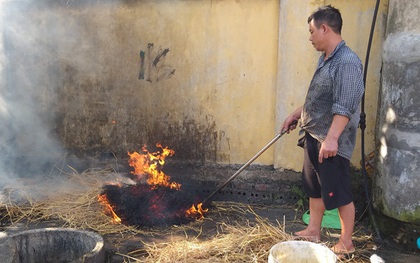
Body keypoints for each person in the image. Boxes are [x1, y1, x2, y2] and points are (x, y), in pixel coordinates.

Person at [281, 5, 364, 256]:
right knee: (314, 187)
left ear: (325, 28)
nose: (310, 37)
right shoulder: (326, 58)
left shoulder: (347, 62)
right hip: (314, 133)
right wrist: (298, 113)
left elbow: (344, 106)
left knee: (337, 191)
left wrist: (331, 139)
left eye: (311, 31)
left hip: (330, 140)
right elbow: (319, 97)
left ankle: (346, 242)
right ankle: (313, 230)